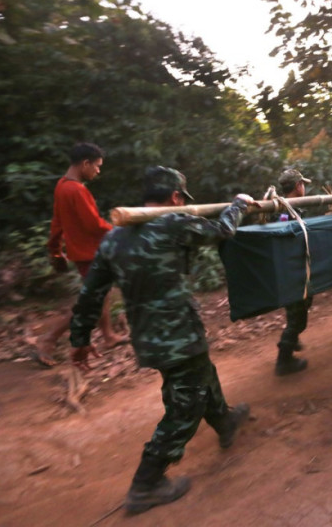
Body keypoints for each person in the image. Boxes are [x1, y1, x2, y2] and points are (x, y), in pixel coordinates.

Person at [69, 166, 254, 513]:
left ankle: (225, 420)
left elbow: (91, 293)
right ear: (175, 197)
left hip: (147, 338)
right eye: (182, 198)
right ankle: (147, 482)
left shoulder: (113, 238)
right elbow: (223, 231)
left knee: (200, 377)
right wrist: (238, 204)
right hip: (180, 335)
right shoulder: (175, 223)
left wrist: (79, 338)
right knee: (185, 404)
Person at [36, 143, 127, 366]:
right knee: (90, 303)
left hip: (83, 252)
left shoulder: (62, 186)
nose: (98, 171)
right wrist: (121, 231)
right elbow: (93, 224)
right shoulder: (77, 190)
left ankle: (109, 336)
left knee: (103, 294)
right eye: (96, 166)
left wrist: (55, 250)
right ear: (85, 163)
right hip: (89, 254)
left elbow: (57, 222)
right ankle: (47, 340)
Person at [274, 168, 313, 375]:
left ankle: (292, 340)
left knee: (299, 311)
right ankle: (284, 361)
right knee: (298, 319)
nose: (304, 187)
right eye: (303, 184)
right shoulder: (286, 212)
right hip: (292, 273)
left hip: (292, 271)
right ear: (298, 186)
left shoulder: (285, 208)